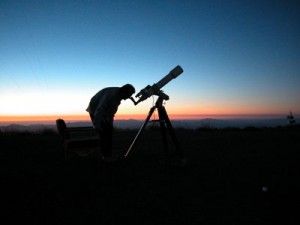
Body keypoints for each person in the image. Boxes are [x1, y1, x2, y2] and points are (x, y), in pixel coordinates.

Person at [86, 84, 135, 162]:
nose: (128, 98)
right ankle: (105, 156)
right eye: (128, 95)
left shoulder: (118, 96)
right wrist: (97, 125)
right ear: (124, 92)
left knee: (109, 131)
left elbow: (111, 111)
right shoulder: (110, 95)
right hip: (95, 111)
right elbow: (99, 109)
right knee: (104, 133)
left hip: (104, 113)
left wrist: (110, 123)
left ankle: (108, 155)